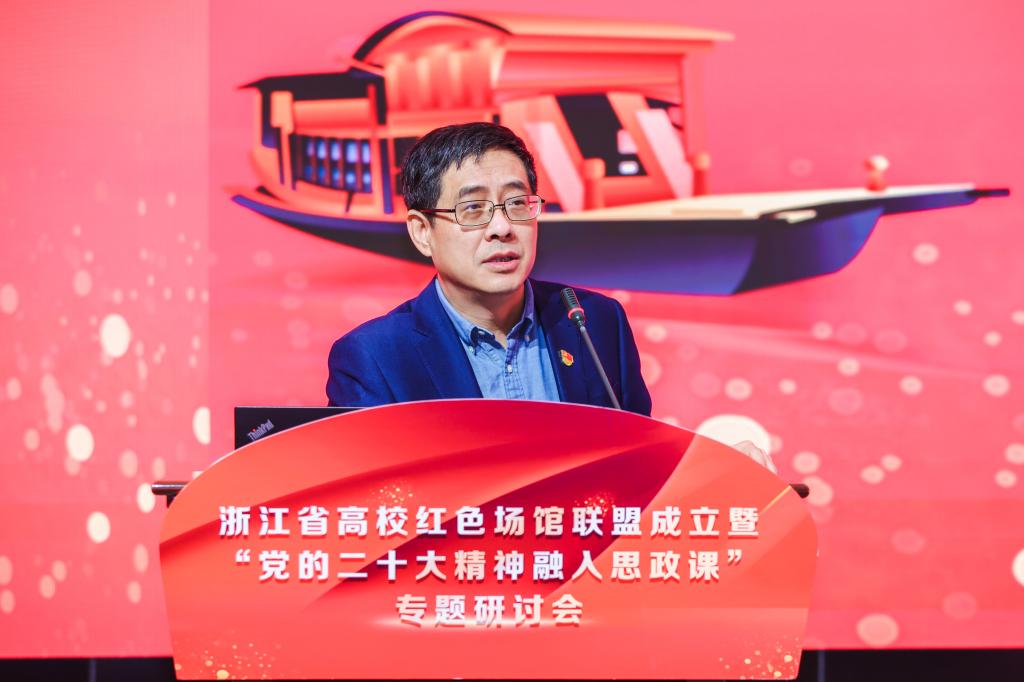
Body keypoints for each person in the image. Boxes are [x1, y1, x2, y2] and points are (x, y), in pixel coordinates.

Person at [324, 122, 775, 470]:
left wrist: (714, 469)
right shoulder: (376, 357)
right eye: (473, 209)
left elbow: (637, 471)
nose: (502, 228)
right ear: (423, 232)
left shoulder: (593, 322)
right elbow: (367, 507)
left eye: (517, 204)